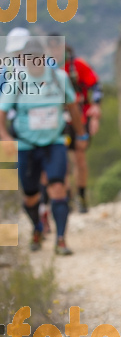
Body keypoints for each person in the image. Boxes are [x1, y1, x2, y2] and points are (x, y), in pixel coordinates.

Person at [0, 37, 88, 255]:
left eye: (38, 58)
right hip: (26, 146)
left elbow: (73, 106)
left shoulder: (59, 78)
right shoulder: (16, 82)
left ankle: (61, 239)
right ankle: (37, 228)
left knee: (58, 188)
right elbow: (1, 114)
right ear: (22, 59)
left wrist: (80, 134)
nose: (34, 62)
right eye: (29, 59)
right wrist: (5, 137)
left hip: (54, 142)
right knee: (30, 195)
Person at [47, 35, 103, 213]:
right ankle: (66, 197)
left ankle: (81, 195)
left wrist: (95, 109)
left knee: (79, 157)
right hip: (57, 120)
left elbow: (96, 86)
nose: (55, 52)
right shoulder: (45, 69)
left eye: (57, 48)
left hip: (80, 117)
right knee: (61, 159)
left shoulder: (77, 66)